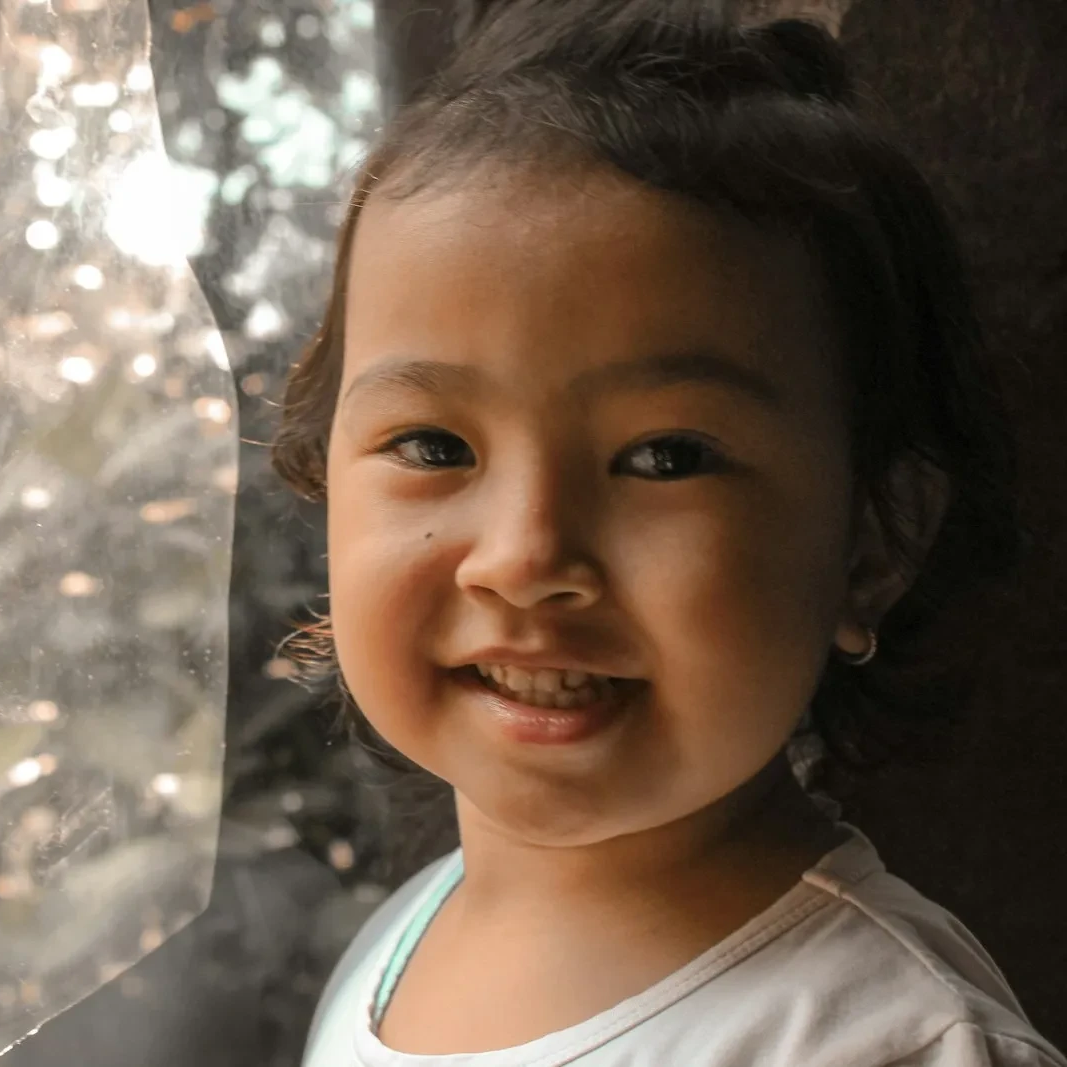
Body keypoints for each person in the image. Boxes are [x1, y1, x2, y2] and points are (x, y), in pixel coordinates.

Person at [270, 1, 1067, 1064]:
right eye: (430, 446)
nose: (522, 558)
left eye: (664, 457)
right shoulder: (404, 939)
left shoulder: (880, 1041)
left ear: (872, 543)